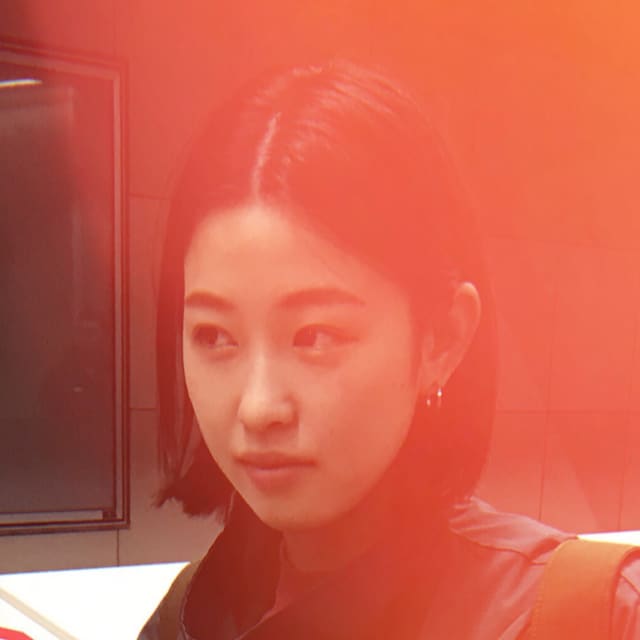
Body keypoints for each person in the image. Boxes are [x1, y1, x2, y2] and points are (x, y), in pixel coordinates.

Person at [139, 60, 640, 639]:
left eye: (315, 336)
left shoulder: (593, 618)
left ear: (441, 339)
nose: (258, 407)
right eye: (215, 336)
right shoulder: (188, 616)